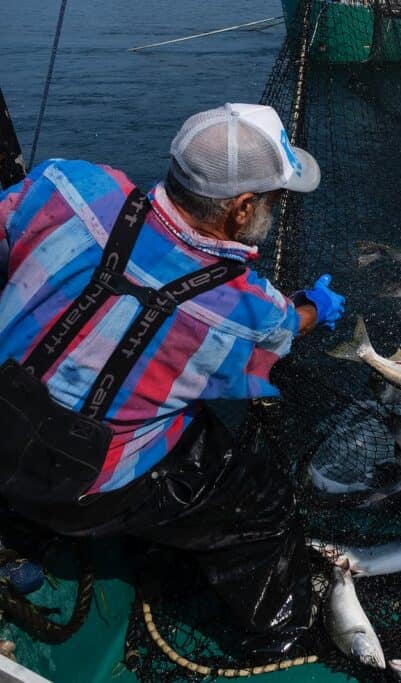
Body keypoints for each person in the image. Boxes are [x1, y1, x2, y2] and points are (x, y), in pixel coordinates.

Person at [0, 103, 345, 658]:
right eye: (274, 202)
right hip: (83, 493)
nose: (275, 213)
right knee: (261, 506)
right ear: (242, 209)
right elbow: (281, 333)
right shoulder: (243, 308)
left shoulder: (69, 184)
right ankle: (281, 637)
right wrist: (313, 306)